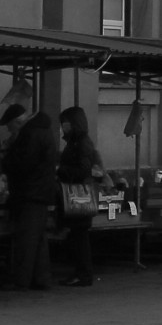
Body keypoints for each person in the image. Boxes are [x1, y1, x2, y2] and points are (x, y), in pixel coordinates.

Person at [0, 96, 59, 292]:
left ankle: (21, 280)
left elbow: (22, 164)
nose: (9, 131)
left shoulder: (31, 134)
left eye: (9, 127)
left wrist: (5, 161)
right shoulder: (43, 131)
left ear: (17, 122)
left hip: (30, 193)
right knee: (38, 240)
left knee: (27, 239)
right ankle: (41, 278)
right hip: (40, 192)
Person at [56, 106, 104, 286]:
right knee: (79, 236)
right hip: (82, 192)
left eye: (65, 123)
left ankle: (83, 274)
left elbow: (82, 169)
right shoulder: (79, 142)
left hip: (79, 193)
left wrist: (60, 170)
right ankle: (82, 273)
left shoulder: (80, 143)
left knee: (79, 236)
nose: (63, 127)